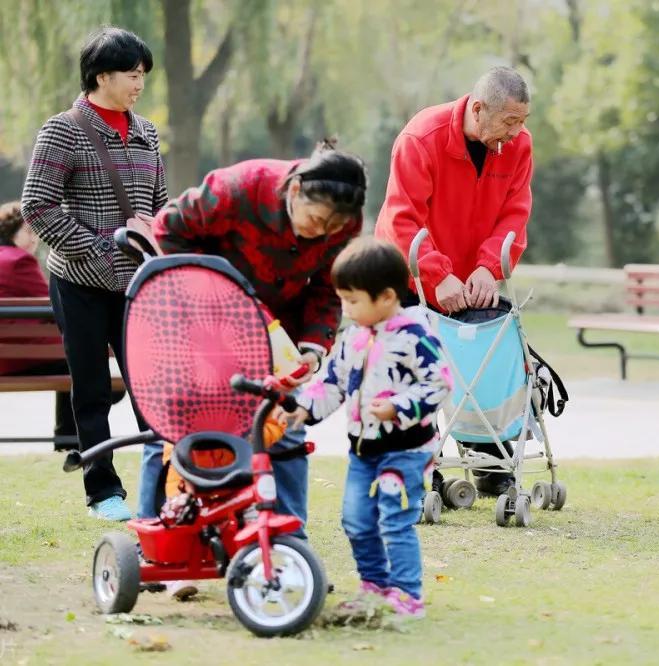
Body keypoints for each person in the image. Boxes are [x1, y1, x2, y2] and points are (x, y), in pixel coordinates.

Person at [152, 140, 367, 538]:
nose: (321, 233)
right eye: (317, 220)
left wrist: (313, 345)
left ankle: (287, 541)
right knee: (176, 427)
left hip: (277, 335)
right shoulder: (237, 189)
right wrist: (213, 292)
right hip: (205, 322)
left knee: (285, 424)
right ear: (296, 190)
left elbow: (326, 285)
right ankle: (163, 532)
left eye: (333, 228)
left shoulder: (343, 224)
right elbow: (167, 229)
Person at [21, 27, 167, 521]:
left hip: (138, 282)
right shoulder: (62, 129)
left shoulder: (147, 132)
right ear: (101, 75)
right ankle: (103, 492)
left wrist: (161, 239)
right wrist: (101, 247)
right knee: (91, 392)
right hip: (79, 282)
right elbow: (37, 206)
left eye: (143, 73)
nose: (139, 82)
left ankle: (164, 488)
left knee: (152, 387)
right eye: (131, 73)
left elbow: (160, 205)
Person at [374, 66, 533, 497]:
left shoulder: (518, 147)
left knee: (483, 369)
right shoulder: (421, 138)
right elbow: (400, 217)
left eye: (522, 122)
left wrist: (488, 266)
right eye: (509, 122)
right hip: (410, 275)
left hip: (473, 277)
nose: (516, 134)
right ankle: (419, 464)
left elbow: (515, 213)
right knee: (412, 373)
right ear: (478, 109)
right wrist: (436, 273)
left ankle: (490, 460)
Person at [284, 237, 452, 618]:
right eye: (343, 299)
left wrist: (399, 407)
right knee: (356, 520)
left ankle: (407, 595)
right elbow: (331, 383)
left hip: (407, 450)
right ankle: (373, 585)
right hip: (363, 450)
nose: (346, 309)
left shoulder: (414, 335)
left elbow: (439, 383)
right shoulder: (352, 339)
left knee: (395, 519)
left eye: (353, 300)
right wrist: (301, 409)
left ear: (388, 297)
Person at [0, 202, 75, 445]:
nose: (35, 239)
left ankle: (67, 437)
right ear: (10, 232)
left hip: (9, 355)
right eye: (29, 232)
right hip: (22, 357)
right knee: (77, 359)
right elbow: (52, 305)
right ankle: (67, 439)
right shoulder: (18, 261)